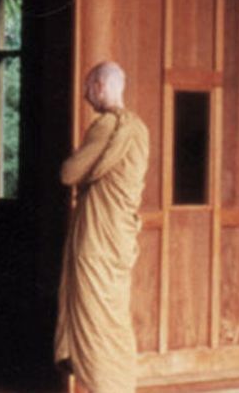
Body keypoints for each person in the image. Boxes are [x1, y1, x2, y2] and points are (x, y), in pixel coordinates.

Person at [55, 61, 149, 393]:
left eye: (86, 87)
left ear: (98, 86)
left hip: (97, 240)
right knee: (114, 321)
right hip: (119, 238)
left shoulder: (107, 127)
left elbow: (68, 173)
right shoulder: (139, 129)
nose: (83, 95)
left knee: (94, 322)